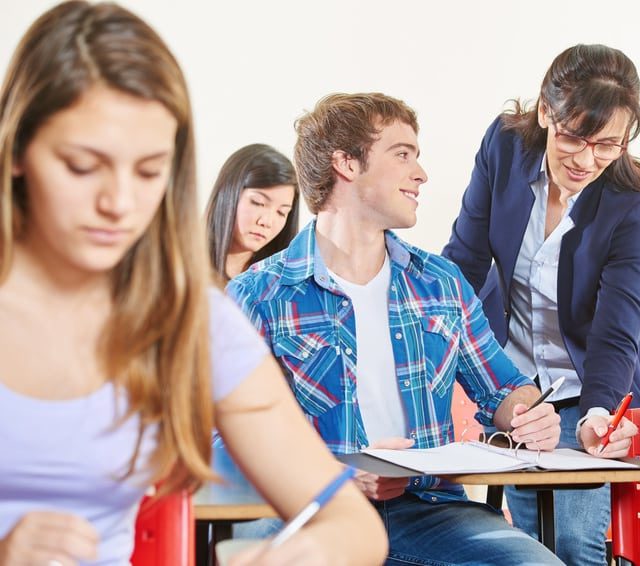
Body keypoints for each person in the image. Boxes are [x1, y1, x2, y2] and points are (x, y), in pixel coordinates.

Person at [0, 3, 386, 565]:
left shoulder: (189, 319)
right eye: (83, 166)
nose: (119, 203)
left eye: (149, 170)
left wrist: (287, 558)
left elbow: (352, 528)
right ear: (17, 150)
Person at [227, 92, 596, 565]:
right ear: (346, 163)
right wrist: (337, 475)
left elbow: (504, 389)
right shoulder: (258, 293)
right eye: (402, 154)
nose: (420, 174)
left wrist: (528, 414)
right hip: (309, 510)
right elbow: (223, 440)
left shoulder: (440, 283)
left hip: (428, 511)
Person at [442, 43, 640, 564]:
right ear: (546, 112)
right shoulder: (505, 146)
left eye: (608, 145)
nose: (587, 160)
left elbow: (617, 329)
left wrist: (597, 414)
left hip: (598, 379)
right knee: (530, 542)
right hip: (520, 376)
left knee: (570, 541)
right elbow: (466, 261)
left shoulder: (634, 207)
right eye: (574, 137)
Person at [205, 143, 299, 280]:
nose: (266, 222)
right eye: (258, 202)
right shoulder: (179, 261)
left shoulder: (276, 283)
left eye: (282, 212)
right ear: (228, 192)